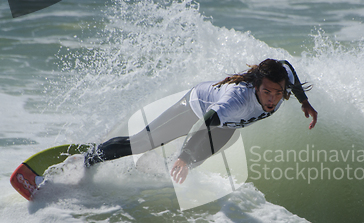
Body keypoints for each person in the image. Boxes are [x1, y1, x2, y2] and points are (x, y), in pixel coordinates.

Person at [84, 59, 318, 184]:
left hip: (228, 126)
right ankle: (88, 158)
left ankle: (146, 178)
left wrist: (304, 101)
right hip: (195, 108)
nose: (273, 99)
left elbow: (287, 67)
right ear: (256, 85)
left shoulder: (281, 79)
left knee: (185, 168)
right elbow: (203, 125)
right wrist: (184, 155)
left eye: (278, 93)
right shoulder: (235, 100)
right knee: (143, 141)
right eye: (267, 92)